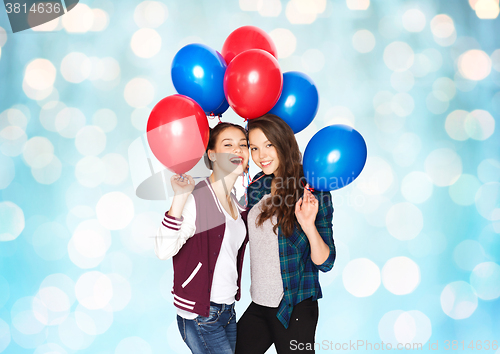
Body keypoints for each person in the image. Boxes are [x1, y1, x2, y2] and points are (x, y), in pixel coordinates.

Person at [235, 114, 336, 354]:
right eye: (255, 148)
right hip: (260, 303)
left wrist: (308, 224)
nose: (261, 156)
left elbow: (326, 262)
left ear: (284, 142)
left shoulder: (311, 188)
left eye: (269, 145)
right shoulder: (257, 184)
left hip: (294, 307)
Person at [155, 122, 250, 354]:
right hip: (201, 314)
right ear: (212, 155)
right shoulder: (198, 197)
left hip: (227, 310)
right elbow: (163, 250)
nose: (237, 150)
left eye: (243, 145)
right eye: (228, 145)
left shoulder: (238, 204)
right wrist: (179, 198)